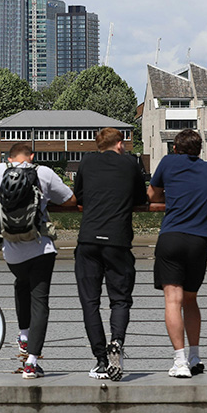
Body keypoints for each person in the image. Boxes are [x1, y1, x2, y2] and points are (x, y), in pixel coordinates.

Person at [0, 142, 76, 379]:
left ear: (9, 158)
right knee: (40, 301)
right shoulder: (44, 172)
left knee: (21, 283)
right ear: (31, 156)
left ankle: (23, 335)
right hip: (41, 248)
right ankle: (31, 363)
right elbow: (70, 201)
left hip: (12, 251)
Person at [148, 128, 207, 378]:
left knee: (172, 301)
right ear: (200, 150)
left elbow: (152, 194)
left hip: (172, 237)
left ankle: (179, 362)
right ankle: (195, 356)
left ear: (175, 148)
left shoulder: (168, 162)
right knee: (190, 299)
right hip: (199, 241)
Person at [73, 127, 147, 381]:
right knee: (120, 300)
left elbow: (78, 194)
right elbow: (141, 197)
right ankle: (116, 342)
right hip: (118, 241)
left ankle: (101, 360)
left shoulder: (86, 162)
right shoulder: (131, 164)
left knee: (90, 302)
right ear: (119, 144)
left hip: (88, 240)